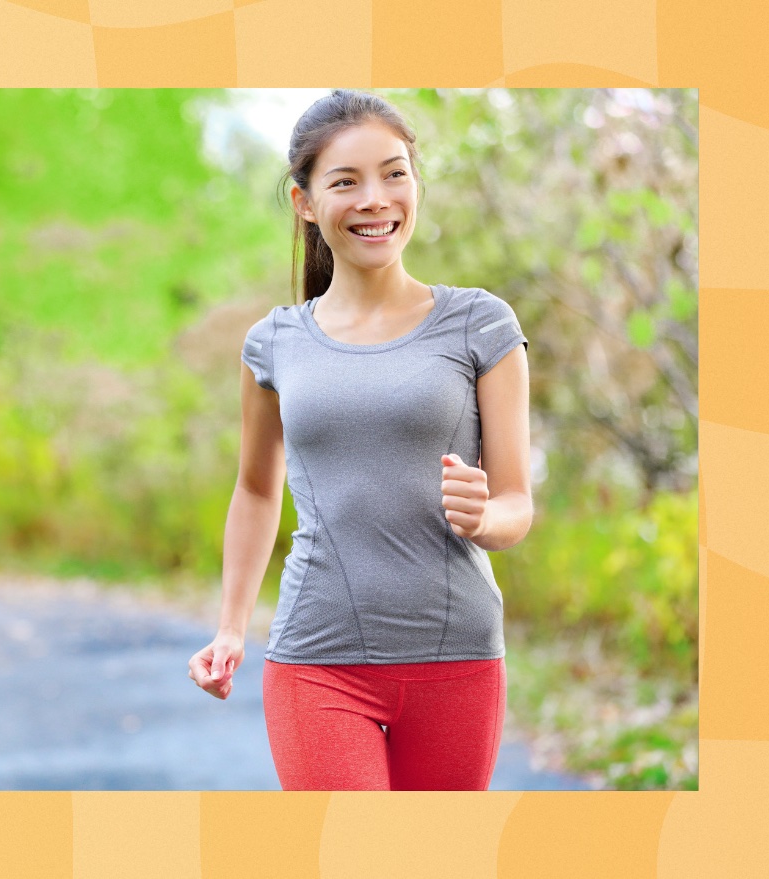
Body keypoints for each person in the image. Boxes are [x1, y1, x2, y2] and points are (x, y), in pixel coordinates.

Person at [187, 89, 532, 791]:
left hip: (457, 659)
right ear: (305, 201)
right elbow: (256, 489)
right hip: (317, 659)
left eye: (394, 172)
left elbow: (516, 501)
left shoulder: (481, 325)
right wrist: (231, 627)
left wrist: (483, 516)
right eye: (346, 181)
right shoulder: (275, 342)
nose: (376, 199)